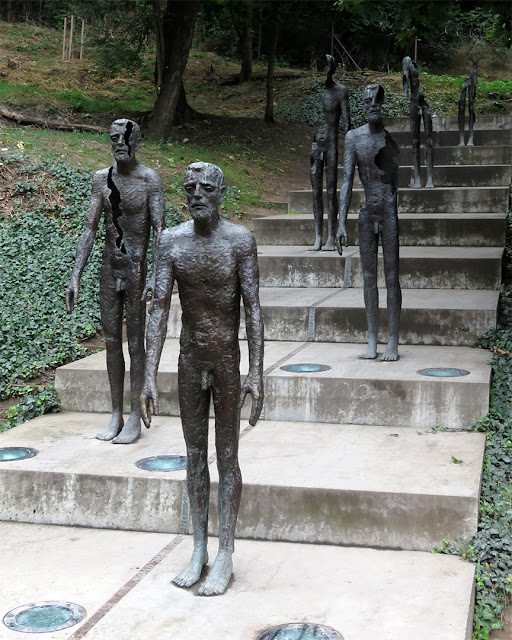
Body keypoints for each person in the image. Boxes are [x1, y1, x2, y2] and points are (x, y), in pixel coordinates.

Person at [141, 162, 264, 596]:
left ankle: (226, 551)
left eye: (205, 188)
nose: (196, 195)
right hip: (191, 360)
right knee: (194, 458)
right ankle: (198, 548)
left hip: (226, 362)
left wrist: (256, 371)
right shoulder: (171, 241)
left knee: (227, 457)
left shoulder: (239, 241)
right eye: (189, 187)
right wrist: (148, 376)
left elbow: (252, 307)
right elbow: (158, 307)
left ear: (221, 193)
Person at [65, 118, 165, 444]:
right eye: (114, 138)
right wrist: (75, 276)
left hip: (136, 269)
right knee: (111, 342)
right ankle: (116, 414)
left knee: (136, 343)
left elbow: (161, 233)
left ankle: (136, 414)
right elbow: (90, 229)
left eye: (125, 137)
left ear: (137, 141)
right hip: (110, 268)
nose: (119, 143)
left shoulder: (150, 181)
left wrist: (155, 274)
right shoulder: (101, 180)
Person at [336, 84, 401, 361]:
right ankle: (372, 337)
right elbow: (347, 182)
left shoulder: (389, 140)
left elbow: (395, 186)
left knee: (391, 276)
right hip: (367, 215)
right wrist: (340, 222)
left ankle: (394, 340)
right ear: (362, 105)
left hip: (387, 212)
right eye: (367, 101)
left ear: (382, 104)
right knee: (368, 278)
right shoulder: (353, 138)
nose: (372, 104)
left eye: (377, 100)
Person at [319, 53, 351, 251]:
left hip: (332, 142)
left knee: (331, 189)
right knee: (318, 190)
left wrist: (349, 149)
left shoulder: (341, 91)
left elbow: (347, 122)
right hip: (321, 141)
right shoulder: (324, 90)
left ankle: (332, 235)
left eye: (327, 67)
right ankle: (319, 235)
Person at [402, 56, 434, 188]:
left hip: (420, 103)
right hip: (413, 104)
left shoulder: (410, 62)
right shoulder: (406, 60)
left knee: (429, 141)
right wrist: (405, 91)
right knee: (415, 142)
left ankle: (429, 178)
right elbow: (405, 78)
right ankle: (418, 177)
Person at [458, 61, 478, 147]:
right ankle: (462, 139)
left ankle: (470, 137)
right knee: (461, 107)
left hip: (472, 84)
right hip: (465, 83)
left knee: (471, 107)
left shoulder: (474, 75)